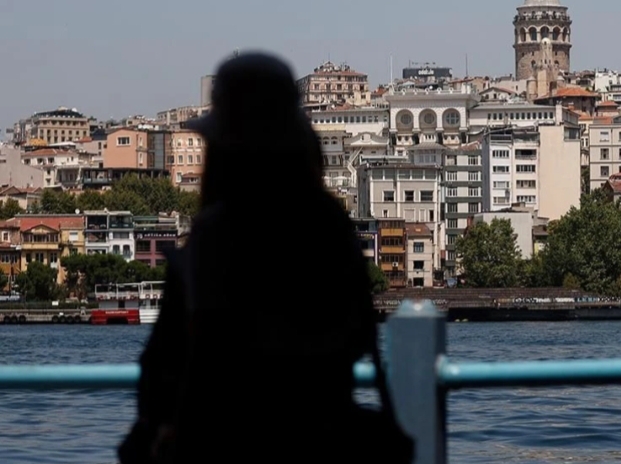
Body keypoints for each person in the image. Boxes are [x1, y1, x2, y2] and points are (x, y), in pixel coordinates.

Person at [118, 52, 411, 464]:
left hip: (225, 443)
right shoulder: (331, 228)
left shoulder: (216, 233)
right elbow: (359, 336)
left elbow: (167, 370)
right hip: (324, 443)